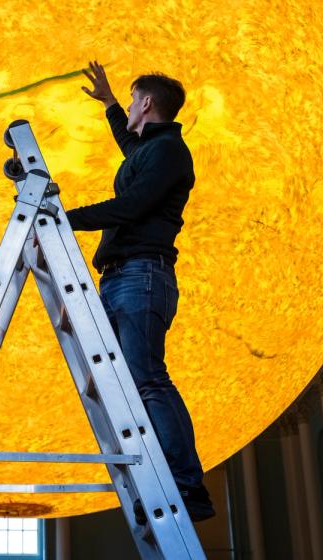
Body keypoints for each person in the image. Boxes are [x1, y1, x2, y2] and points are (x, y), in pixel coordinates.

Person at [65, 61, 215, 523]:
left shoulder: (170, 153)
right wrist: (111, 104)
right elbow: (131, 150)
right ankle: (161, 481)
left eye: (132, 100)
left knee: (148, 379)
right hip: (120, 276)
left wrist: (64, 217)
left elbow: (130, 206)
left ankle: (187, 488)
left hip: (140, 275)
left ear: (147, 103)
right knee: (130, 385)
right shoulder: (153, 149)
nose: (129, 107)